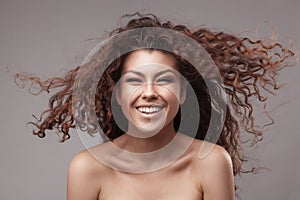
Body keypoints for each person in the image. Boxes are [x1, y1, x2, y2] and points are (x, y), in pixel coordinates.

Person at [15, 13, 295, 200]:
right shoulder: (87, 168)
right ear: (118, 93)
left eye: (163, 80)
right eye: (135, 81)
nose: (149, 93)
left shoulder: (210, 162)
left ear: (183, 92)